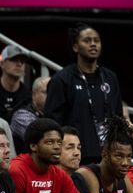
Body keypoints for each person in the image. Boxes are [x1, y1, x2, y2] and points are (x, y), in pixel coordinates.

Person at [44, 24, 123, 166]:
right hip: (76, 158)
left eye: (96, 40)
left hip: (108, 157)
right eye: (87, 41)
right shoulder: (62, 79)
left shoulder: (110, 77)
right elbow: (53, 124)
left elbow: (118, 117)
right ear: (75, 47)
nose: (93, 44)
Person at [10, 75, 47, 155]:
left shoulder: (54, 113)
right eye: (46, 92)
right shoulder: (21, 116)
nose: (50, 96)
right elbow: (43, 143)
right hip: (24, 165)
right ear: (34, 94)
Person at [0, 46, 30, 124]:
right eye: (14, 60)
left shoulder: (28, 95)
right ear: (2, 64)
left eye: (22, 61)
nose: (19, 64)